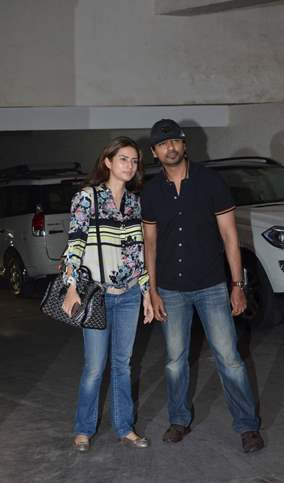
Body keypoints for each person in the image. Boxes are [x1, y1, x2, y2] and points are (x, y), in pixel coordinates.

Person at [141, 119, 264, 453]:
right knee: (174, 361)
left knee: (230, 359)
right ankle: (178, 420)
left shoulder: (210, 181)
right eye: (163, 144)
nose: (171, 147)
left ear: (185, 145)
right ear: (154, 151)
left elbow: (229, 236)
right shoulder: (151, 192)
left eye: (175, 141)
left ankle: (248, 426)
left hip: (211, 285)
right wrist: (151, 290)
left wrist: (237, 284)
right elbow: (149, 244)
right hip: (170, 289)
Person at [62, 136, 153, 452]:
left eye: (134, 161)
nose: (130, 166)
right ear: (108, 162)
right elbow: (75, 244)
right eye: (124, 159)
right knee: (95, 366)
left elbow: (137, 255)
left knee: (123, 364)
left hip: (128, 295)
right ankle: (84, 428)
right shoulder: (87, 198)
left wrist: (145, 295)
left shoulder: (135, 203)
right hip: (96, 294)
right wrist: (71, 286)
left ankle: (125, 427)